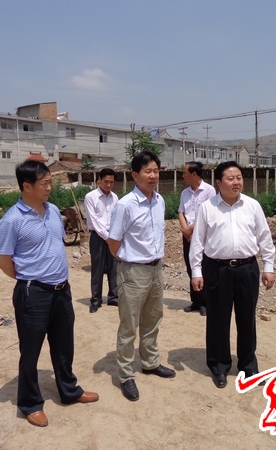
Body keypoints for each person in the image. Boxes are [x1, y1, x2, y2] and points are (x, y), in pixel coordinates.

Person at [0, 160, 98, 428]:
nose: (49, 188)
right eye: (44, 183)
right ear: (27, 186)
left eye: (50, 182)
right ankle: (30, 403)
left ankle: (69, 390)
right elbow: (4, 261)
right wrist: (29, 278)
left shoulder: (52, 210)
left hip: (62, 290)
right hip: (34, 293)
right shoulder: (12, 220)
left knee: (64, 345)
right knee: (30, 350)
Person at [190, 161, 276, 389]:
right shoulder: (207, 208)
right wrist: (196, 271)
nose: (236, 182)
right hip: (217, 269)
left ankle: (248, 367)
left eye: (239, 177)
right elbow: (197, 242)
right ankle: (219, 366)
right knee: (218, 319)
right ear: (219, 182)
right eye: (230, 178)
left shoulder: (252, 205)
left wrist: (268, 266)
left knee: (247, 318)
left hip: (247, 268)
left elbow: (264, 237)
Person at [107, 150, 176, 402]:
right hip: (133, 271)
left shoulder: (159, 201)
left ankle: (150, 362)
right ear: (135, 175)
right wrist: (128, 261)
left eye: (156, 171)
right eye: (148, 171)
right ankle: (126, 374)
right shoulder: (125, 205)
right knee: (129, 325)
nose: (153, 175)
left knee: (153, 319)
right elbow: (113, 242)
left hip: (156, 269)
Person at [178, 161, 216, 316]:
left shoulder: (209, 191)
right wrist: (185, 231)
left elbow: (207, 214)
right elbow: (181, 212)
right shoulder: (184, 193)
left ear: (194, 174)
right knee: (190, 266)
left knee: (203, 267)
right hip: (188, 236)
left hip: (203, 236)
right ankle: (196, 300)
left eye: (185, 173)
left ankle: (206, 302)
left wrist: (190, 229)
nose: (183, 175)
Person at [84, 168, 119, 313]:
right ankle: (96, 299)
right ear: (99, 180)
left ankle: (113, 296)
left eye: (111, 182)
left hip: (112, 236)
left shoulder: (115, 197)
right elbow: (94, 220)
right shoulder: (91, 197)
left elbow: (116, 217)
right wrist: (107, 237)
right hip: (98, 237)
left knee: (114, 267)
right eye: (106, 181)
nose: (109, 185)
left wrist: (114, 237)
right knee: (97, 268)